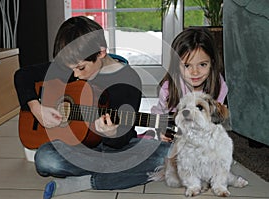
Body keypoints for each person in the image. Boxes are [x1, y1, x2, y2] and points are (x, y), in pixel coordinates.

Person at [14, 16, 171, 199]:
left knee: (166, 154)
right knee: (45, 158)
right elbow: (22, 75)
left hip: (114, 152)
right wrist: (36, 108)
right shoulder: (73, 64)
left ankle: (87, 181)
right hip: (77, 149)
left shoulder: (128, 81)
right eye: (70, 68)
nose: (75, 75)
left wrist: (112, 133)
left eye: (81, 68)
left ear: (101, 52)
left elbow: (123, 138)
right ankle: (114, 175)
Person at [151, 27, 228, 142]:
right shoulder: (168, 90)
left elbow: (215, 120)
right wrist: (160, 131)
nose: (195, 72)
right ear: (177, 66)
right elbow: (159, 117)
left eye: (202, 65)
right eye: (187, 66)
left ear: (212, 62)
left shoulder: (219, 86)